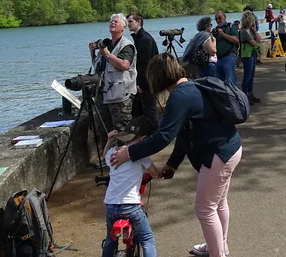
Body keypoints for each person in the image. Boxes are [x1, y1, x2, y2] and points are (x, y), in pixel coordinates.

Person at [110, 53, 243, 257]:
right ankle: (219, 245)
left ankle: (218, 252)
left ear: (159, 77)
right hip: (230, 148)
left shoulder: (179, 97)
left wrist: (130, 151)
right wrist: (172, 164)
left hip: (218, 155)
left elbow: (163, 136)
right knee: (218, 203)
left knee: (205, 209)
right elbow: (184, 132)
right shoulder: (191, 86)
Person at [101, 116, 160, 257]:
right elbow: (154, 173)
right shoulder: (139, 153)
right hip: (131, 206)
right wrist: (159, 172)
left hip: (111, 205)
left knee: (110, 239)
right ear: (143, 139)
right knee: (147, 239)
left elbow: (104, 156)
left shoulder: (113, 153)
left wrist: (109, 140)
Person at [90, 13, 137, 143]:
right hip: (103, 93)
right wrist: (93, 52)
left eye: (116, 21)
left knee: (122, 131)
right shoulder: (106, 44)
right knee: (104, 129)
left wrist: (107, 54)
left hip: (120, 95)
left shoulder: (126, 45)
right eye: (111, 21)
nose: (112, 23)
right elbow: (98, 67)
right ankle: (108, 159)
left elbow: (124, 65)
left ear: (124, 27)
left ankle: (125, 159)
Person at [127, 13, 160, 128]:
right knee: (139, 111)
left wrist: (141, 83)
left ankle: (156, 136)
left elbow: (145, 63)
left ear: (139, 22)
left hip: (147, 81)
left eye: (130, 21)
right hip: (143, 80)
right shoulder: (139, 38)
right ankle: (145, 135)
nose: (128, 24)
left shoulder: (145, 39)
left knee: (150, 111)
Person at [239, 10, 262, 105]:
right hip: (247, 55)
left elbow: (259, 40)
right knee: (247, 76)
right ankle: (245, 96)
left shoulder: (251, 31)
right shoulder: (244, 31)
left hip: (252, 53)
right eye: (253, 20)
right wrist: (256, 42)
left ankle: (250, 93)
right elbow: (254, 43)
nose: (254, 22)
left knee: (251, 76)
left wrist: (254, 30)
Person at [213, 10, 239, 85]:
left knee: (230, 81)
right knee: (220, 84)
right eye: (216, 19)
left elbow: (236, 40)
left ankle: (234, 96)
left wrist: (223, 34)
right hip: (218, 59)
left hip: (229, 57)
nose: (218, 20)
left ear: (224, 17)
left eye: (220, 18)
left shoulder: (231, 26)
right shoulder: (214, 30)